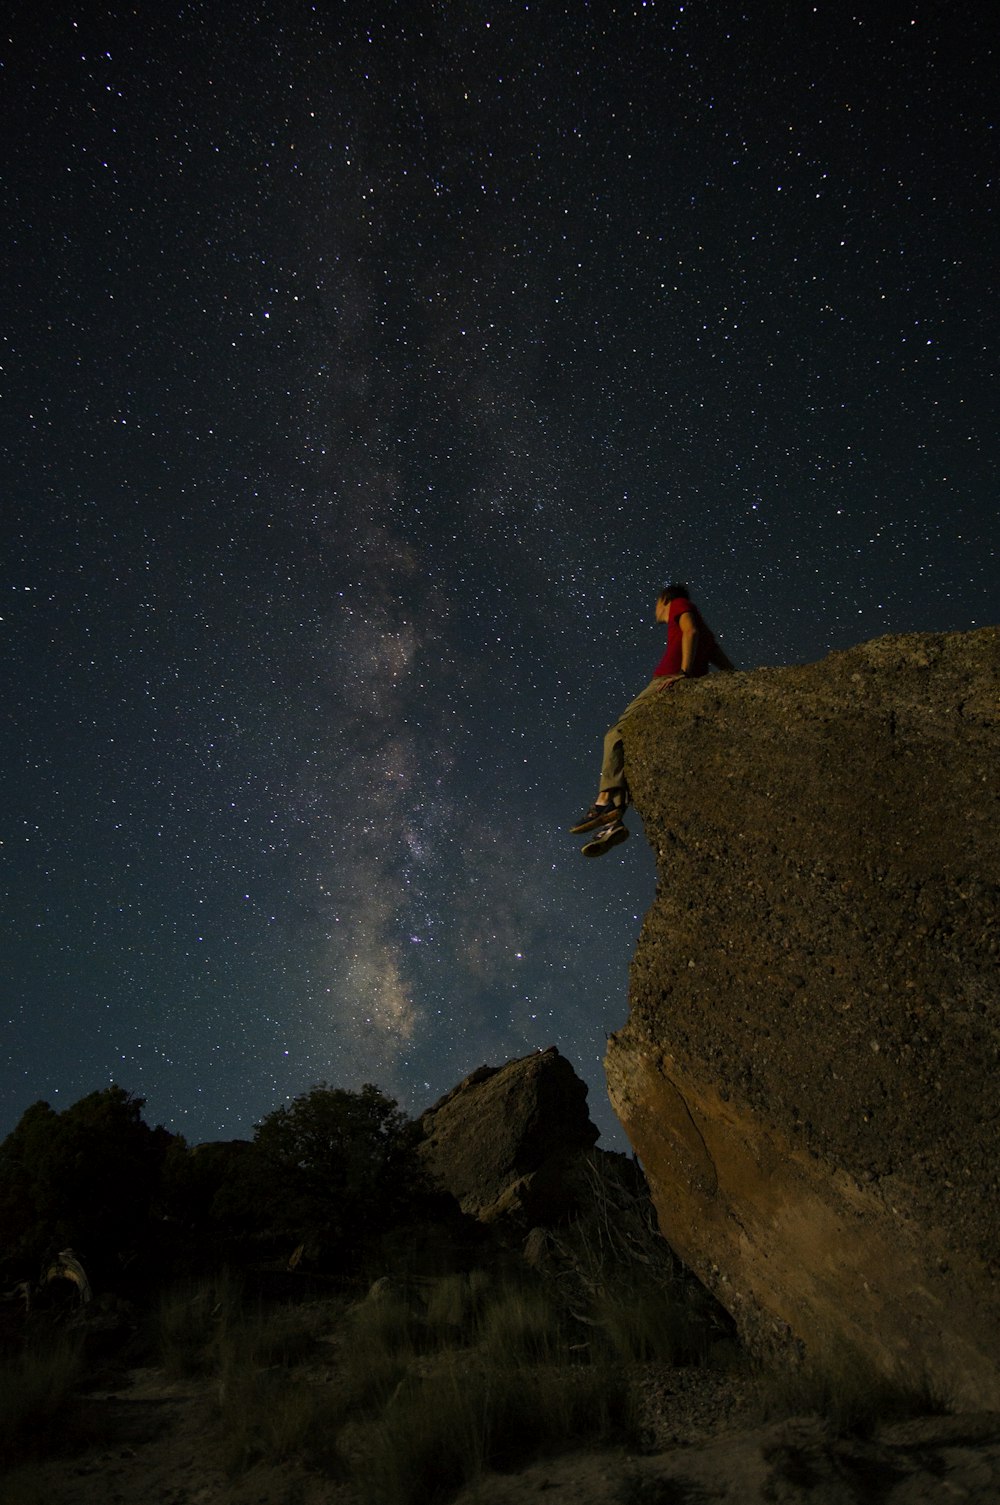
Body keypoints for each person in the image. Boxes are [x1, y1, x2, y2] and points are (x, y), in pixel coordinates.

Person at [570, 583, 734, 852]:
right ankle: (614, 823)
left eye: (656, 604)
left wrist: (682, 672)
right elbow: (716, 653)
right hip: (682, 679)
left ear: (664, 599)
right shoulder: (704, 627)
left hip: (666, 679)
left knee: (615, 734)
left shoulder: (679, 606)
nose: (655, 610)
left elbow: (689, 630)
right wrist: (736, 677)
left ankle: (603, 802)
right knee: (632, 747)